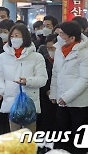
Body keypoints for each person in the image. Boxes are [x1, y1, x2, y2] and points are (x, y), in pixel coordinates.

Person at [0, 24, 48, 133]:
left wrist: (27, 81)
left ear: (25, 37)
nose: (14, 39)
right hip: (11, 101)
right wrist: (2, 90)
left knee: (28, 138)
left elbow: (42, 79)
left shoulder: (36, 57)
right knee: (14, 137)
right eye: (12, 36)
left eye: (17, 35)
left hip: (29, 103)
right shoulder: (3, 57)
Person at [49, 21, 88, 154]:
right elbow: (56, 73)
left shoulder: (84, 53)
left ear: (72, 38)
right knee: (61, 136)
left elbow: (84, 79)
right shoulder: (60, 50)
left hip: (79, 103)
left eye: (62, 34)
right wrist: (54, 94)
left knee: (79, 138)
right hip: (62, 101)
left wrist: (67, 97)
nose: (59, 36)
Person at [37, 34, 58, 131]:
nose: (51, 51)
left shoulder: (63, 60)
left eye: (53, 48)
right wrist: (47, 90)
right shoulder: (43, 60)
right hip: (45, 96)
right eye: (48, 48)